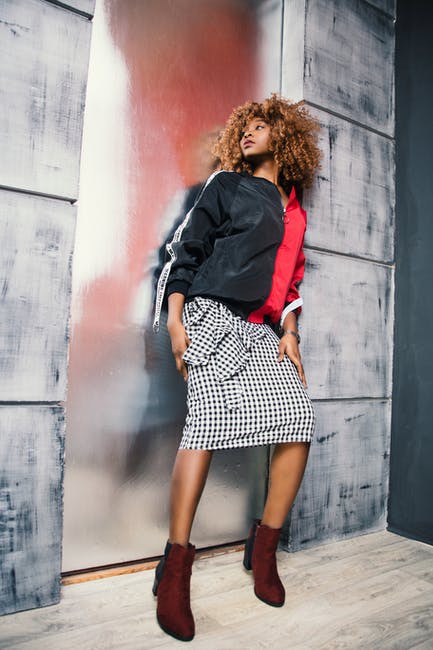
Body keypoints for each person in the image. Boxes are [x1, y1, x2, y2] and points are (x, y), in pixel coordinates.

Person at [152, 94, 321, 642]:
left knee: (298, 420)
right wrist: (175, 319)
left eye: (261, 125)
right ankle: (175, 565)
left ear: (284, 135)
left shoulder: (294, 212)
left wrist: (290, 334)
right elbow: (187, 249)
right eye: (244, 126)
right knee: (203, 426)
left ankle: (264, 548)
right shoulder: (226, 184)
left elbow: (290, 284)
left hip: (260, 332)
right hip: (210, 313)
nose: (249, 132)